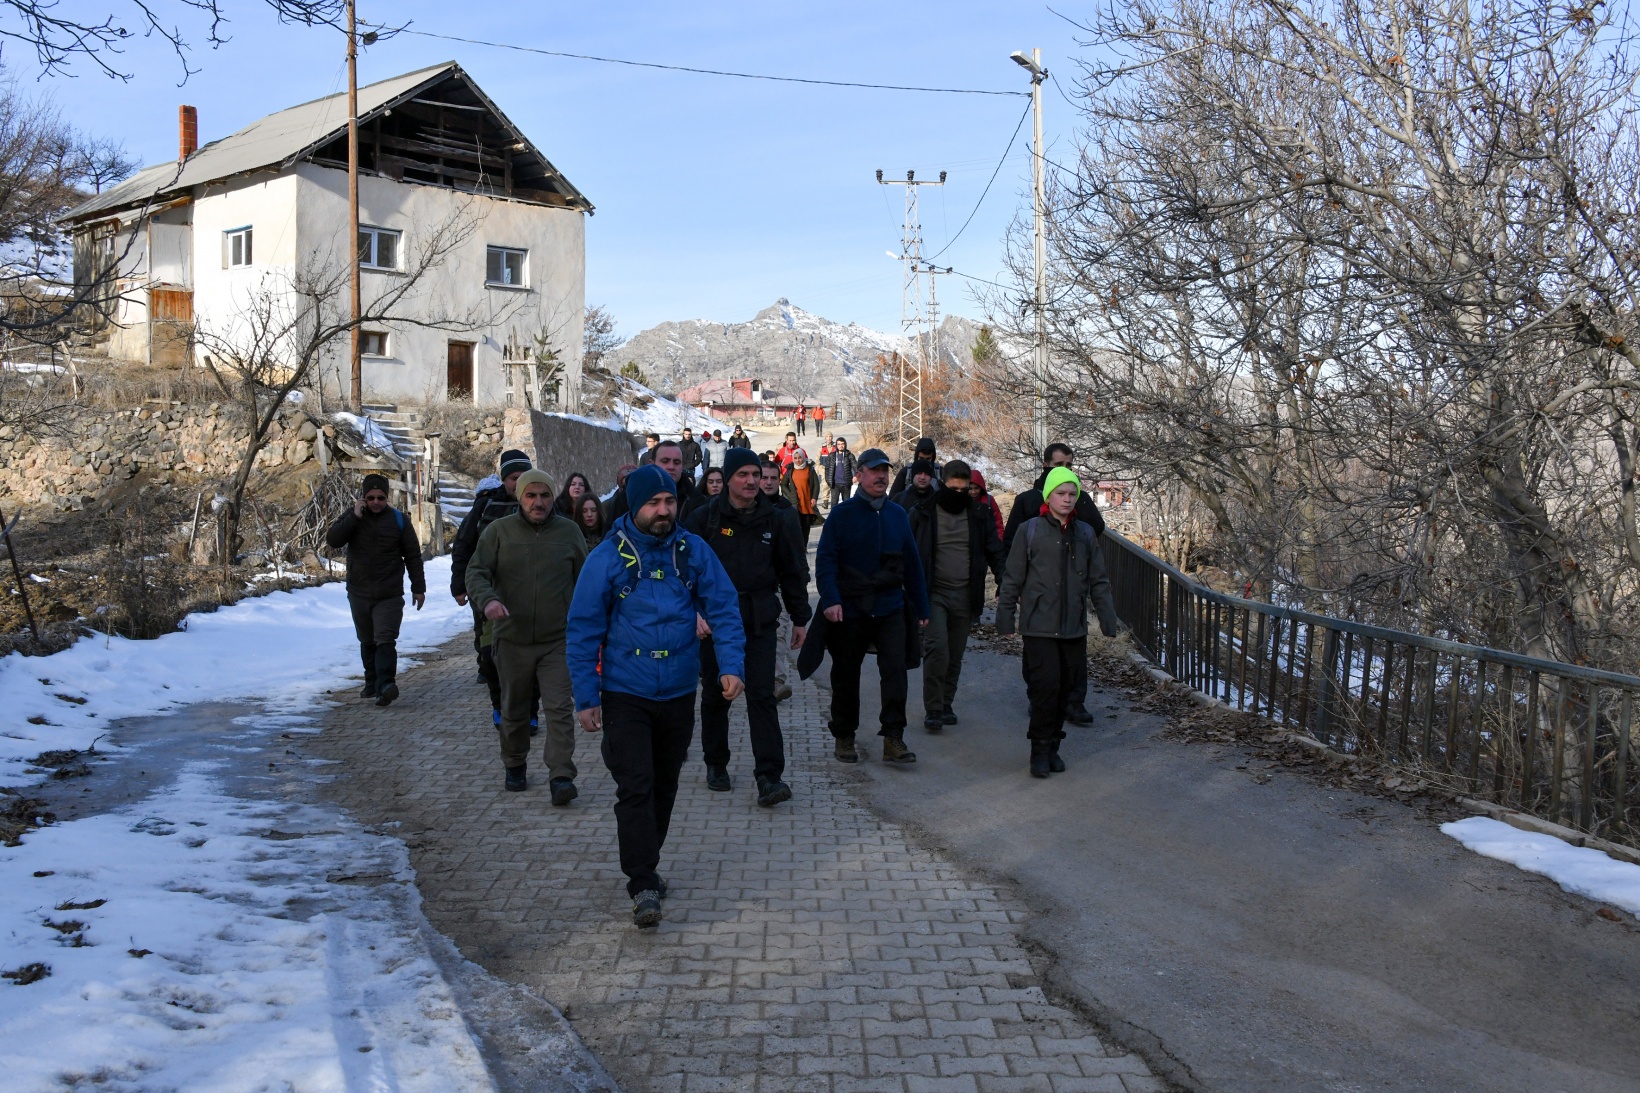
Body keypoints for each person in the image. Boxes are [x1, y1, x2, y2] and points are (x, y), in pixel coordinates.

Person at [567, 465, 746, 928]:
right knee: (636, 784)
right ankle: (642, 880)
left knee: (665, 784)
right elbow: (583, 630)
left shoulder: (692, 551)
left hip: (679, 689)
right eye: (654, 504)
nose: (664, 511)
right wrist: (586, 696)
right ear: (634, 506)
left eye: (669, 502)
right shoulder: (606, 559)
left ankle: (648, 862)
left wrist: (730, 666)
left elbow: (724, 607)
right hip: (626, 690)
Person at [685, 447, 811, 805]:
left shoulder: (777, 519)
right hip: (715, 624)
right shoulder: (702, 519)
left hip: (760, 620)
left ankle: (770, 777)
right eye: (743, 475)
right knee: (716, 696)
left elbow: (791, 571)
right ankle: (716, 764)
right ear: (727, 479)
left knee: (762, 697)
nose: (752, 481)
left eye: (756, 475)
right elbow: (685, 573)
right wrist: (694, 612)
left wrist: (801, 617)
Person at [465, 470, 588, 799]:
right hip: (512, 638)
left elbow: (586, 581)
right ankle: (515, 762)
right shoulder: (499, 532)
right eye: (531, 495)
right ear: (520, 497)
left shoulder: (569, 532)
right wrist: (488, 600)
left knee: (560, 707)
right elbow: (475, 571)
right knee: (515, 708)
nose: (539, 502)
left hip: (557, 639)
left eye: (545, 495)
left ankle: (561, 774)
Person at [996, 468, 1121, 777]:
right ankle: (1038, 750)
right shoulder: (1030, 530)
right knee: (1045, 688)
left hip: (1073, 627)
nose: (1067, 499)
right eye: (1061, 494)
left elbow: (1099, 581)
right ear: (1048, 496)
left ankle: (1053, 746)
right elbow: (1012, 579)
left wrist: (1107, 619)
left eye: (1071, 494)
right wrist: (1005, 619)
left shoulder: (1085, 533)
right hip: (1039, 624)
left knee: (1066, 690)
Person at [811, 448, 930, 765]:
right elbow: (825, 561)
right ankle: (845, 737)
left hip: (890, 606)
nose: (881, 476)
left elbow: (913, 564)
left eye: (885, 471)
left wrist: (922, 607)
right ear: (859, 475)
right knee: (846, 675)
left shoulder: (896, 515)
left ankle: (894, 738)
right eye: (874, 471)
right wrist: (832, 599)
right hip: (850, 607)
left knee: (896, 673)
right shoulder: (842, 514)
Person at [1001, 443, 1108, 726]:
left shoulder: (1078, 498)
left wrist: (1076, 524)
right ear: (1046, 464)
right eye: (1059, 465)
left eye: (1070, 466)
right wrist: (1015, 591)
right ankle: (1039, 701)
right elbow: (1013, 541)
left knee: (1073, 659)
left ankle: (1073, 702)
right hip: (1038, 594)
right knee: (1040, 660)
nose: (1065, 471)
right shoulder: (1028, 501)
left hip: (1071, 593)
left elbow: (1097, 528)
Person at [906, 460, 1003, 732]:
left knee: (955, 654)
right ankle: (934, 708)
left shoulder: (978, 514)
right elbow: (906, 553)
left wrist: (1004, 580)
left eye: (965, 490)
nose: (959, 494)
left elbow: (995, 551)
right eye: (954, 488)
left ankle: (946, 703)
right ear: (942, 483)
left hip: (965, 594)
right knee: (937, 649)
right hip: (934, 592)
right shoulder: (922, 513)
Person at [326, 473, 426, 707]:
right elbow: (333, 540)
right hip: (359, 592)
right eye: (370, 498)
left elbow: (413, 556)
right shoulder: (353, 518)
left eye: (380, 497)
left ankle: (385, 685)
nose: (375, 502)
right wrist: (354, 516)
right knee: (367, 639)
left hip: (389, 593)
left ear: (387, 497)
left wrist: (418, 588)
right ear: (363, 498)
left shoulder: (400, 520)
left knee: (385, 638)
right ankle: (371, 682)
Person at [781, 447, 822, 543]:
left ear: (803, 457)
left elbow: (816, 484)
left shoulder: (810, 469)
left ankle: (804, 546)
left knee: (806, 527)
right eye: (795, 458)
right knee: (796, 527)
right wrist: (789, 495)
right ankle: (798, 546)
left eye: (799, 457)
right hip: (796, 503)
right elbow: (783, 484)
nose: (798, 460)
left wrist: (814, 497)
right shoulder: (790, 470)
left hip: (807, 503)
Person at [969, 469, 1005, 543]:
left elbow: (998, 521)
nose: (973, 492)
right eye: (970, 489)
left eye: (976, 488)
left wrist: (999, 539)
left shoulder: (988, 500)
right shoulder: (963, 500)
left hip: (987, 540)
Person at [822, 437, 856, 508]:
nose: (841, 446)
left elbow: (855, 466)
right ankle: (834, 519)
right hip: (835, 485)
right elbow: (827, 469)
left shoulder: (849, 455)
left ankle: (846, 519)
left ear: (845, 445)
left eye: (842, 444)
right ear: (836, 445)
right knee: (834, 505)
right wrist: (829, 481)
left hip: (846, 484)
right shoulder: (832, 456)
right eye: (839, 444)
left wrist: (855, 476)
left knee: (847, 505)